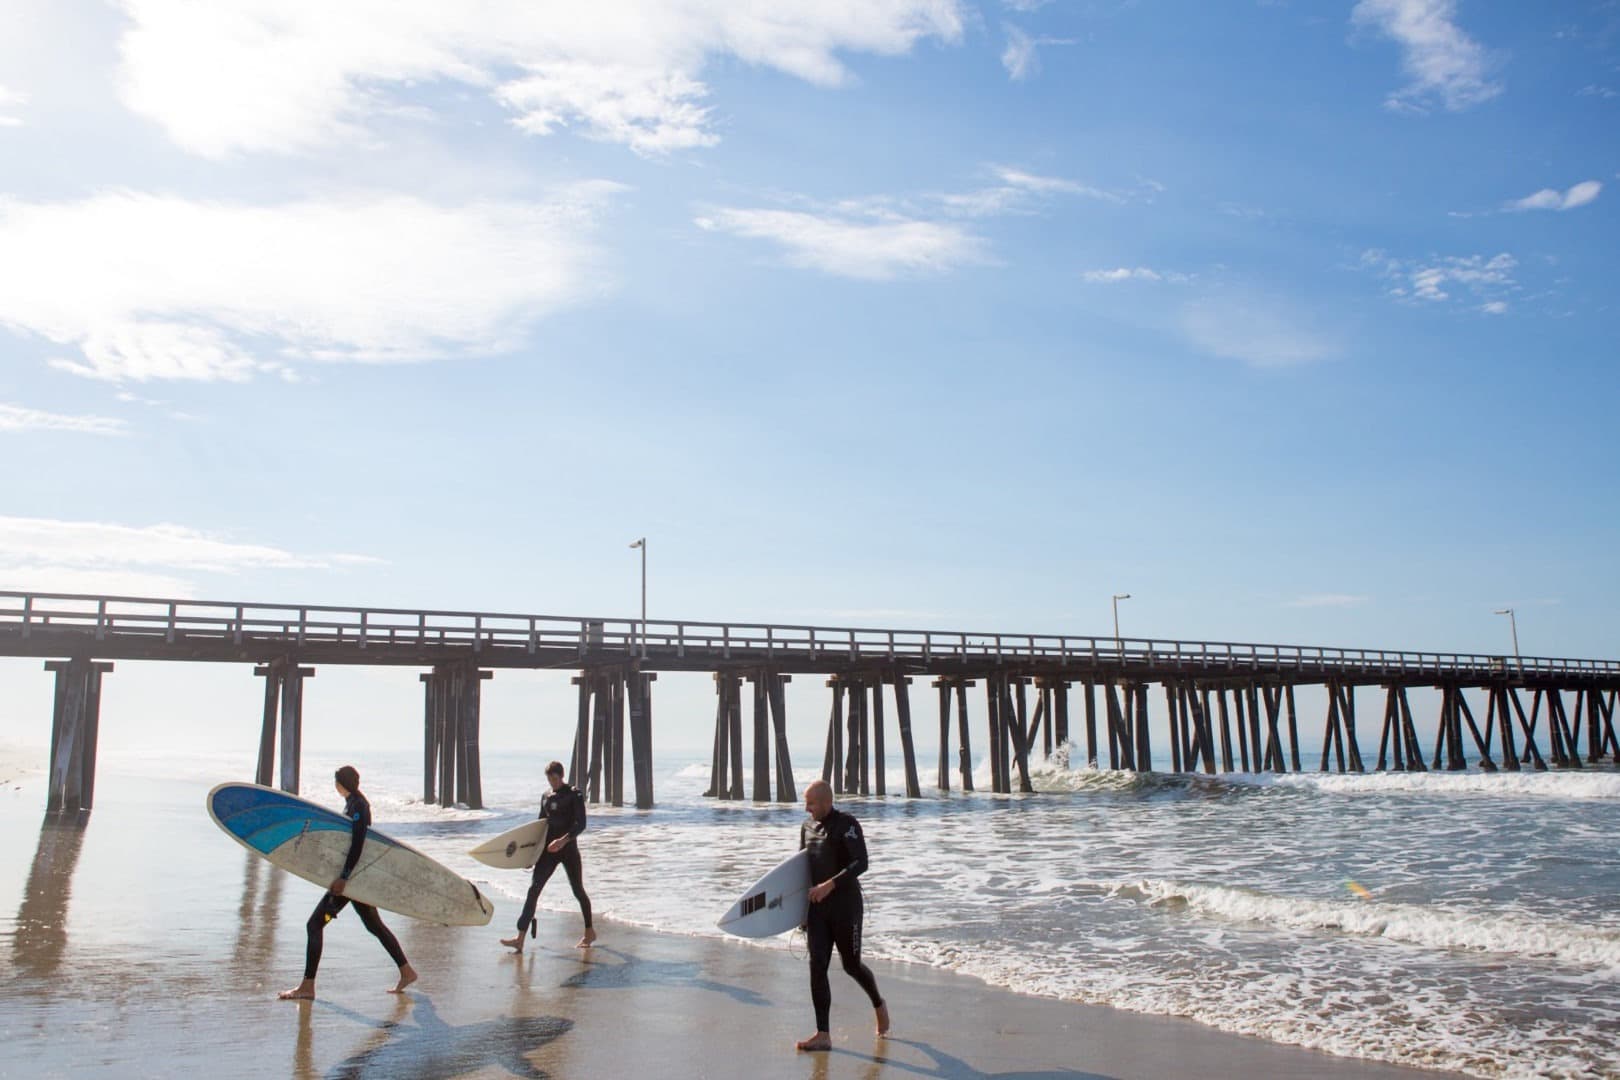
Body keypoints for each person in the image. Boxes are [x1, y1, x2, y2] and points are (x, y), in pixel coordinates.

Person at [279, 765, 417, 1000]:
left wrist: (344, 877)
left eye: (336, 782)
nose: (335, 786)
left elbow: (358, 845)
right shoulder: (353, 803)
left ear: (341, 783)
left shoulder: (359, 807)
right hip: (355, 881)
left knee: (315, 925)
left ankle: (307, 986)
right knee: (374, 925)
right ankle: (407, 971)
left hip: (350, 882)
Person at [794, 779, 889, 1052]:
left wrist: (829, 885)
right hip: (817, 910)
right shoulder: (807, 827)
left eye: (811, 803)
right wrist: (801, 910)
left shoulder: (847, 824)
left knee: (851, 965)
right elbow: (801, 868)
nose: (807, 808)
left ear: (826, 802)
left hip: (846, 906)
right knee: (817, 965)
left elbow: (861, 862)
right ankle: (823, 1033)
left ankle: (878, 1003)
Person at [500, 760, 596, 952]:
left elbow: (581, 824)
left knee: (578, 890)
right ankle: (520, 938)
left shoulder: (574, 794)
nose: (552, 782)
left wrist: (563, 840)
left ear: (561, 776)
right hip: (548, 852)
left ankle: (589, 931)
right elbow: (539, 827)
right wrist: (530, 855)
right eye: (549, 779)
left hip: (568, 851)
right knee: (533, 890)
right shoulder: (545, 796)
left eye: (554, 778)